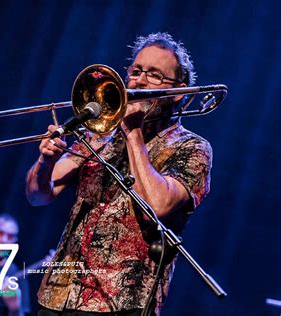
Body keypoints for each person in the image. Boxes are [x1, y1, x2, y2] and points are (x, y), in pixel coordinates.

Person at [26, 32, 212, 315]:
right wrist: (45, 163)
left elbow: (159, 205)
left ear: (178, 92)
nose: (138, 81)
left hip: (122, 303)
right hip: (57, 295)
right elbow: (38, 196)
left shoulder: (192, 147)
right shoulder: (98, 136)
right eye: (135, 71)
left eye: (154, 75)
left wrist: (133, 132)